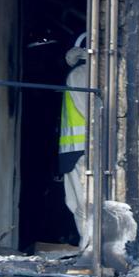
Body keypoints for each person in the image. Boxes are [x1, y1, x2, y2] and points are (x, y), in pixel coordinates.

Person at [59, 33, 91, 254]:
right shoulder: (83, 74)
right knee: (84, 206)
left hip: (75, 152)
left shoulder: (78, 73)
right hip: (84, 151)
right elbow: (92, 111)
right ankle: (90, 251)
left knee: (81, 206)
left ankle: (89, 250)